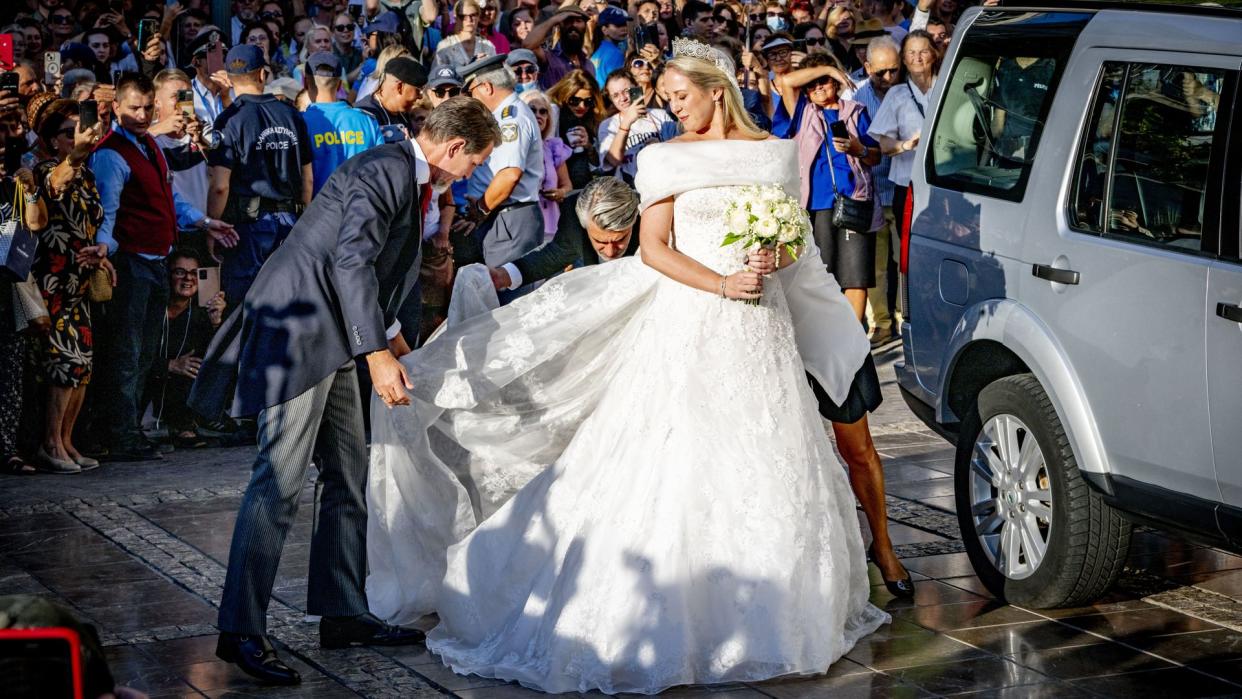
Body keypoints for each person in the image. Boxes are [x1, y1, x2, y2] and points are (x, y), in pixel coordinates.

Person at [364, 38, 888, 694]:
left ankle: (777, 610)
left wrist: (768, 261)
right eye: (666, 100)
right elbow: (655, 249)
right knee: (678, 456)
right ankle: (678, 613)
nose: (674, 109)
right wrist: (721, 283)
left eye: (681, 97)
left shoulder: (770, 154)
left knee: (765, 454)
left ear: (715, 88)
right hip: (692, 322)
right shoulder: (665, 157)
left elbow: (793, 239)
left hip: (764, 330)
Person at [188, 97, 501, 686]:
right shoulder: (385, 167)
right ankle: (241, 631)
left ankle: (342, 611)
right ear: (456, 147)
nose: (472, 173)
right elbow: (350, 261)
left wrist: (395, 341)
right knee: (277, 482)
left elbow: (371, 273)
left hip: (333, 335)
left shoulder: (401, 172)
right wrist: (378, 353)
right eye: (476, 160)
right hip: (300, 330)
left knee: (347, 475)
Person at [89, 73, 238, 462]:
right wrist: (104, 246)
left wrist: (206, 223)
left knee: (144, 351)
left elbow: (171, 200)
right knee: (128, 350)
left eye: (146, 107)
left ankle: (131, 428)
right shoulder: (111, 152)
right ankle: (120, 434)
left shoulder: (150, 148)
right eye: (132, 108)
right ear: (117, 108)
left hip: (157, 260)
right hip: (131, 261)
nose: (140, 114)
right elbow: (108, 209)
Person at [30, 100, 108, 473]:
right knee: (63, 364)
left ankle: (67, 440)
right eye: (68, 132)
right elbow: (56, 186)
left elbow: (92, 220)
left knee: (83, 367)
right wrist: (74, 156)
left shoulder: (90, 176)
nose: (78, 136)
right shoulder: (46, 170)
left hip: (81, 282)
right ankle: (50, 443)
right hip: (54, 280)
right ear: (53, 140)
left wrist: (101, 249)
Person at [207, 45, 313, 307]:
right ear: (263, 75)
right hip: (289, 221)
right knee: (287, 301)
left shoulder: (230, 120)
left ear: (229, 79)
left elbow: (220, 186)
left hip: (247, 226)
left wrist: (212, 226)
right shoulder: (291, 115)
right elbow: (307, 178)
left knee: (246, 306)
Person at [778, 53, 881, 321]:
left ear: (836, 84)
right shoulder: (801, 111)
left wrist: (858, 149)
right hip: (816, 205)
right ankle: (832, 337)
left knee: (856, 277)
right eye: (811, 83)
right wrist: (827, 68)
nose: (818, 87)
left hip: (854, 200)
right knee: (824, 277)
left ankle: (855, 340)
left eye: (824, 81)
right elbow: (787, 81)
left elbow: (876, 156)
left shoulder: (855, 111)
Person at [459, 55, 545, 267]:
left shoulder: (511, 118)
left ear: (486, 87)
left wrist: (480, 209)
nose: (471, 99)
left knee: (510, 296)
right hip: (500, 217)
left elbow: (509, 174)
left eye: (471, 92)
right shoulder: (502, 116)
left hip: (508, 219)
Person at [489, 175, 639, 292]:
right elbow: (556, 254)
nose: (610, 251)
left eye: (620, 239)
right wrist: (503, 275)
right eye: (600, 242)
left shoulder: (652, 214)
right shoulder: (573, 214)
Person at [868, 29, 936, 282]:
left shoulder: (946, 86)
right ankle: (907, 312)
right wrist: (906, 145)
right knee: (908, 253)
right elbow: (884, 144)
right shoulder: (897, 94)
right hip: (907, 186)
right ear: (904, 60)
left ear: (934, 55)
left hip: (943, 183)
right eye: (911, 53)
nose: (918, 57)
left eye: (923, 51)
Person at [144, 248, 224, 448]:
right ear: (168, 275)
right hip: (147, 382)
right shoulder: (151, 308)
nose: (188, 279)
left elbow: (213, 359)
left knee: (195, 364)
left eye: (194, 273)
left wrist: (216, 322)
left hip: (177, 390)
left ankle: (186, 423)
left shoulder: (197, 314)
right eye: (180, 272)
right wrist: (169, 365)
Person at [851, 34, 901, 346]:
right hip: (872, 190)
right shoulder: (856, 98)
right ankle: (882, 324)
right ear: (866, 66)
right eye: (879, 71)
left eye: (893, 70)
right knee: (877, 266)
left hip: (904, 188)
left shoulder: (909, 94)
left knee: (905, 263)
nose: (886, 77)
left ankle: (905, 318)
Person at [300, 51, 383, 194]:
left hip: (317, 212)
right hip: (361, 210)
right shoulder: (367, 121)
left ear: (306, 83)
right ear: (339, 85)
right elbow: (380, 171)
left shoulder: (299, 123)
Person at [598, 69, 677, 183]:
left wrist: (660, 147)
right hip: (630, 189)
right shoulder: (608, 125)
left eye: (626, 91)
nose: (623, 98)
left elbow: (679, 147)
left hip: (663, 181)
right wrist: (626, 124)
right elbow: (612, 161)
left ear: (637, 87)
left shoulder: (660, 115)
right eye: (615, 95)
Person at [520, 89, 571, 241]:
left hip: (551, 226)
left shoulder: (553, 147)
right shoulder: (512, 147)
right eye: (532, 109)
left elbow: (567, 185)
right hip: (521, 225)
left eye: (543, 112)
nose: (538, 115)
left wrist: (560, 193)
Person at [546, 68, 603, 188]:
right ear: (564, 95)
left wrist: (589, 147)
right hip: (560, 187)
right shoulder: (554, 112)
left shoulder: (592, 118)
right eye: (574, 100)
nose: (581, 106)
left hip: (585, 186)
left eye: (588, 101)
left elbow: (598, 166)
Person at [524, 7, 592, 90]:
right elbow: (528, 45)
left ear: (585, 27)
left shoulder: (588, 65)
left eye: (578, 21)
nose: (574, 25)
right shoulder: (548, 58)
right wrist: (553, 20)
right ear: (559, 25)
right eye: (568, 20)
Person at [355, 55, 426, 132]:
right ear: (400, 87)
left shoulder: (402, 114)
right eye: (418, 90)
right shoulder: (365, 116)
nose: (420, 96)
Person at [433, 0, 497, 72]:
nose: (469, 20)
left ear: (479, 16)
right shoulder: (445, 46)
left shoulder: (488, 46)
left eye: (473, 15)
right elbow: (436, 77)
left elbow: (496, 73)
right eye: (462, 16)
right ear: (456, 18)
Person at [590, 6, 630, 88]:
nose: (624, 29)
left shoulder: (597, 50)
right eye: (618, 25)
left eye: (625, 24)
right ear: (604, 30)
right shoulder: (615, 53)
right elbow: (619, 85)